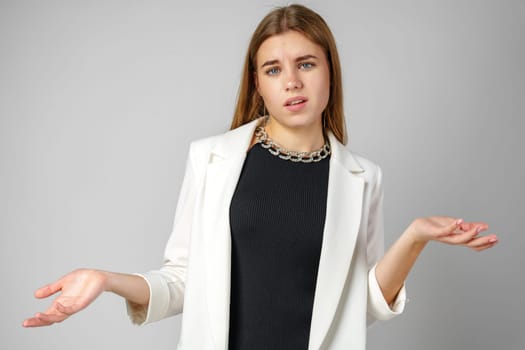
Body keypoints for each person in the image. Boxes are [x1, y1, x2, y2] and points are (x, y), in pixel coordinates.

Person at [22, 4, 498, 349]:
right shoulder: (210, 159)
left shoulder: (362, 177)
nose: (291, 81)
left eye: (306, 64)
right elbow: (183, 281)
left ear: (330, 71)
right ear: (258, 84)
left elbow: (361, 308)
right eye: (274, 69)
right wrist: (105, 280)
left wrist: (414, 236)